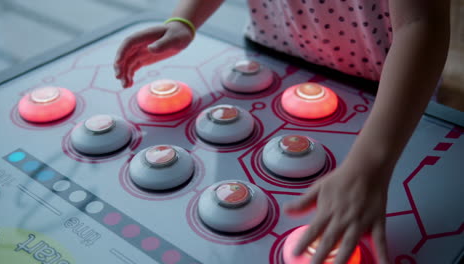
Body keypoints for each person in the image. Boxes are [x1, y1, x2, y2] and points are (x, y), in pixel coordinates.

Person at [114, 1, 450, 263]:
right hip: (265, 54)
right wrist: (184, 20)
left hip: (382, 89)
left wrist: (370, 164)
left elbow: (422, 22)